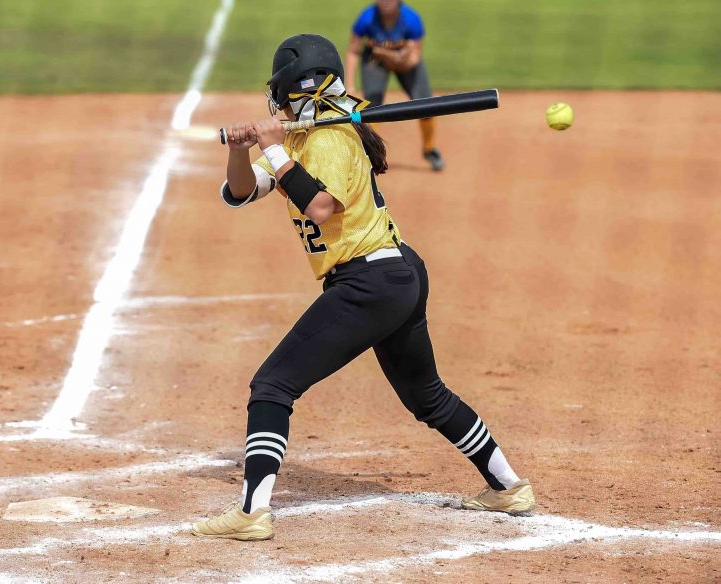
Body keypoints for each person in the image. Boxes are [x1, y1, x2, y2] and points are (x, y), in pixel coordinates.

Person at [191, 34, 535, 542]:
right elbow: (240, 193)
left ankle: (250, 512)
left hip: (369, 280)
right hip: (395, 276)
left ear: (293, 88)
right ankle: (508, 487)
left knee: (273, 386)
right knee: (426, 395)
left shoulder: (329, 141)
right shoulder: (302, 140)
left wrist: (271, 146)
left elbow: (321, 207)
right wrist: (246, 150)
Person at [346, 0, 444, 171]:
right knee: (372, 106)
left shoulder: (412, 20)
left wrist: (389, 55)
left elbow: (413, 60)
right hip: (375, 60)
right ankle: (369, 152)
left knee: (425, 102)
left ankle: (430, 149)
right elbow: (353, 51)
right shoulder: (367, 18)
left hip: (404, 62)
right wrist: (350, 84)